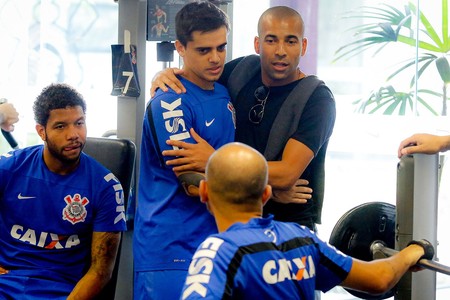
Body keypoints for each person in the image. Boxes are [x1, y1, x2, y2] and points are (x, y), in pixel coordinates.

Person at [151, 6, 335, 232]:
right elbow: (194, 75)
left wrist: (214, 159)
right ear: (257, 44)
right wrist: (163, 76)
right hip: (235, 224)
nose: (280, 51)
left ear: (303, 46)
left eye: (290, 41)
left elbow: (287, 174)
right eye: (271, 40)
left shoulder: (317, 99)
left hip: (290, 229)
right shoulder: (240, 71)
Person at [180, 142, 432, 299]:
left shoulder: (218, 252)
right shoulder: (301, 239)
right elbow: (379, 279)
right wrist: (415, 249)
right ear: (267, 194)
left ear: (204, 193)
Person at [133, 2, 235, 299]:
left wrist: (213, 164)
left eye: (221, 47)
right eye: (204, 50)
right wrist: (265, 187)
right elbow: (193, 182)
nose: (216, 58)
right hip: (170, 250)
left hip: (213, 244)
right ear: (180, 47)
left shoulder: (223, 89)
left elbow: (209, 171)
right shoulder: (170, 102)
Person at [0, 83, 127, 299]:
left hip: (60, 291)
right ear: (42, 131)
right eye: (60, 126)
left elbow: (100, 272)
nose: (73, 135)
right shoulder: (9, 169)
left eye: (79, 123)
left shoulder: (106, 187)